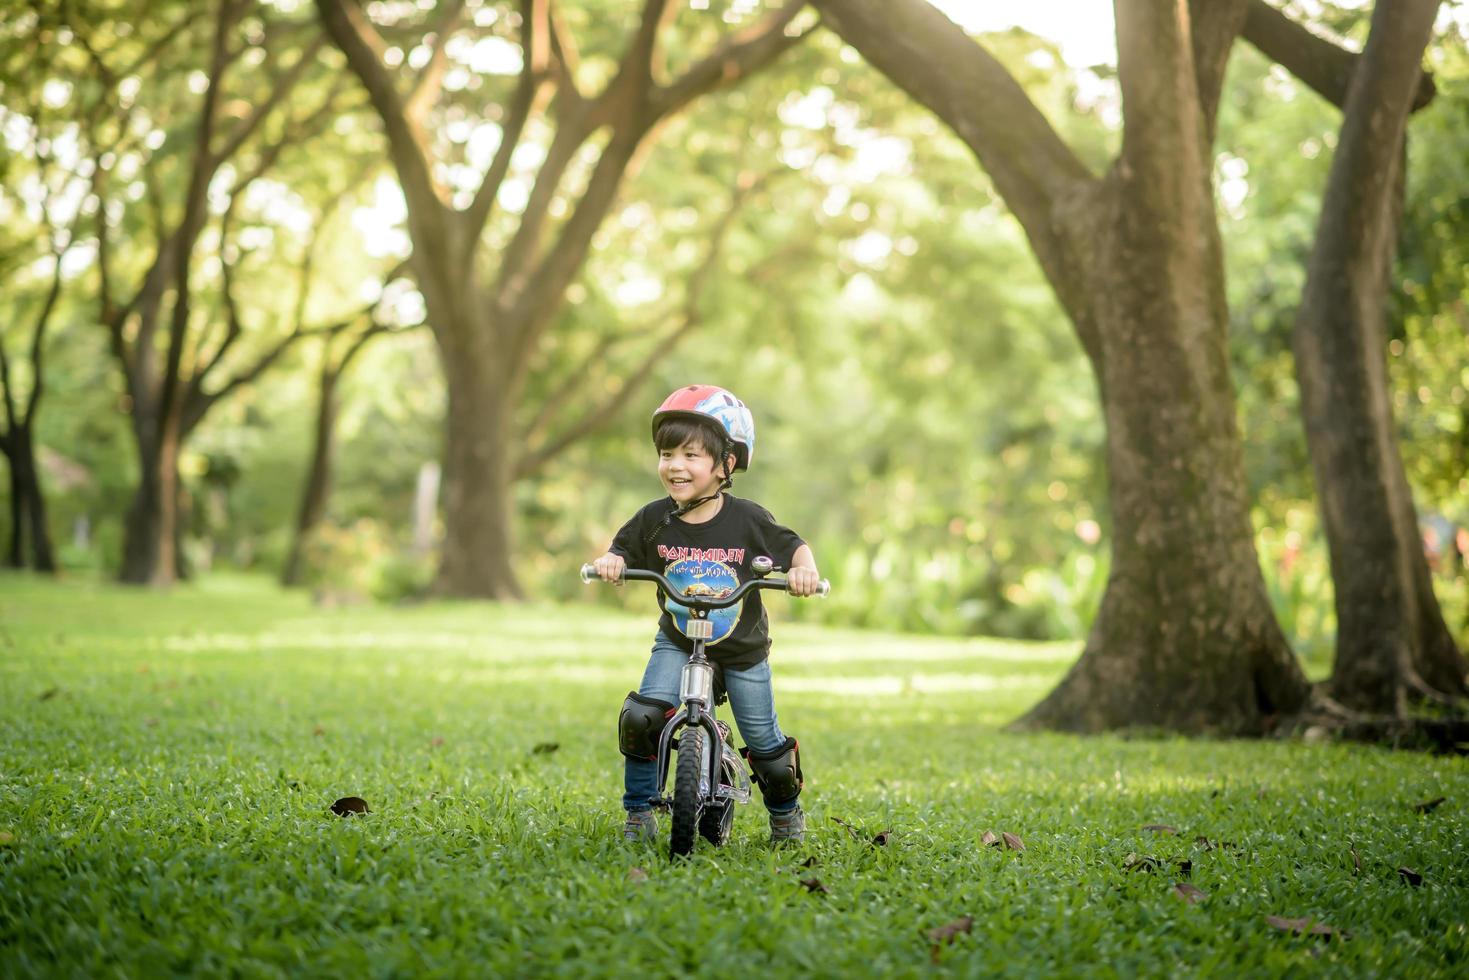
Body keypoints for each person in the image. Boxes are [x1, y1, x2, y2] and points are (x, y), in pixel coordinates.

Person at [589, 384, 821, 846]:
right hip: (678, 639)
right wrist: (611, 562)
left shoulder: (748, 520)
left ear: (726, 464)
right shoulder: (654, 519)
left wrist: (803, 571)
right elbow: (620, 550)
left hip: (742, 650)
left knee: (764, 743)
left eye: (691, 455)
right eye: (667, 453)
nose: (675, 465)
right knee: (642, 718)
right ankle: (638, 813)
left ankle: (785, 815)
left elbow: (794, 547)